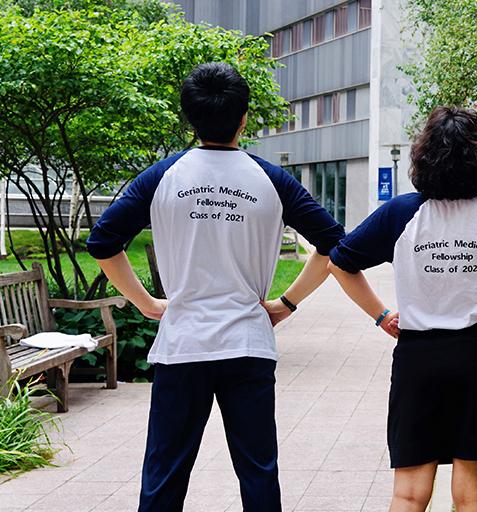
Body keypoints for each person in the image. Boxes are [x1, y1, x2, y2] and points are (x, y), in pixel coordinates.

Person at [86, 62, 345, 512]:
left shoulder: (162, 177)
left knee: (164, 473)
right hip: (248, 343)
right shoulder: (272, 180)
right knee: (258, 471)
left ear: (190, 118)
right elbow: (334, 244)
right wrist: (287, 303)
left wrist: (145, 303)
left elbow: (103, 242)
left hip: (183, 345)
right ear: (244, 118)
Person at [328, 106, 477, 512]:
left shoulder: (401, 213)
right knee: (472, 498)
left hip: (417, 358)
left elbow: (340, 263)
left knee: (409, 494)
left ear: (423, 156)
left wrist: (381, 314)